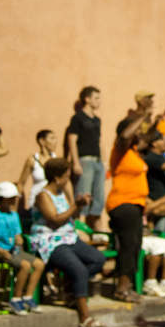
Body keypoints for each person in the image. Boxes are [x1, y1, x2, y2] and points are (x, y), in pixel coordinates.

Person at [30, 158, 107, 327]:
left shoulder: (60, 193)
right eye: (66, 176)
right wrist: (75, 205)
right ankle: (84, 318)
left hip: (69, 238)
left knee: (98, 259)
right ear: (57, 177)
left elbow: (68, 216)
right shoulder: (43, 195)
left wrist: (79, 207)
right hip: (50, 241)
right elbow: (55, 219)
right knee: (79, 270)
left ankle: (70, 286)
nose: (68, 179)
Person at [106, 101, 157, 304]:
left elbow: (148, 138)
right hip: (122, 204)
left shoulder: (134, 152)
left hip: (135, 205)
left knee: (134, 245)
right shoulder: (119, 149)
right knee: (127, 246)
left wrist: (154, 122)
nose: (138, 135)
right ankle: (121, 290)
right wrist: (141, 118)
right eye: (136, 131)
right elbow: (125, 136)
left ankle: (126, 288)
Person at [0, 182, 45, 315]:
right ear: (0, 198)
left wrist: (20, 239)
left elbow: (17, 234)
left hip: (14, 251)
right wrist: (0, 251)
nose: (12, 200)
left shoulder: (14, 215)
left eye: (13, 197)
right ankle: (16, 298)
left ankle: (28, 296)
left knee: (39, 264)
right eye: (9, 197)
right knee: (25, 265)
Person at [67, 86, 105, 230]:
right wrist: (75, 162)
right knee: (83, 195)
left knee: (99, 198)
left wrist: (104, 162)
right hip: (85, 161)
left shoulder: (97, 120)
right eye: (96, 98)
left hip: (98, 162)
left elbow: (99, 142)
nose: (99, 101)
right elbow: (72, 140)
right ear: (87, 99)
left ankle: (97, 230)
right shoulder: (77, 118)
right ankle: (80, 228)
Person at [16, 129, 59, 222]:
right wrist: (15, 207)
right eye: (52, 138)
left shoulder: (56, 160)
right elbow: (21, 184)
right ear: (42, 141)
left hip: (54, 202)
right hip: (36, 203)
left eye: (55, 139)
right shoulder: (32, 160)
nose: (55, 142)